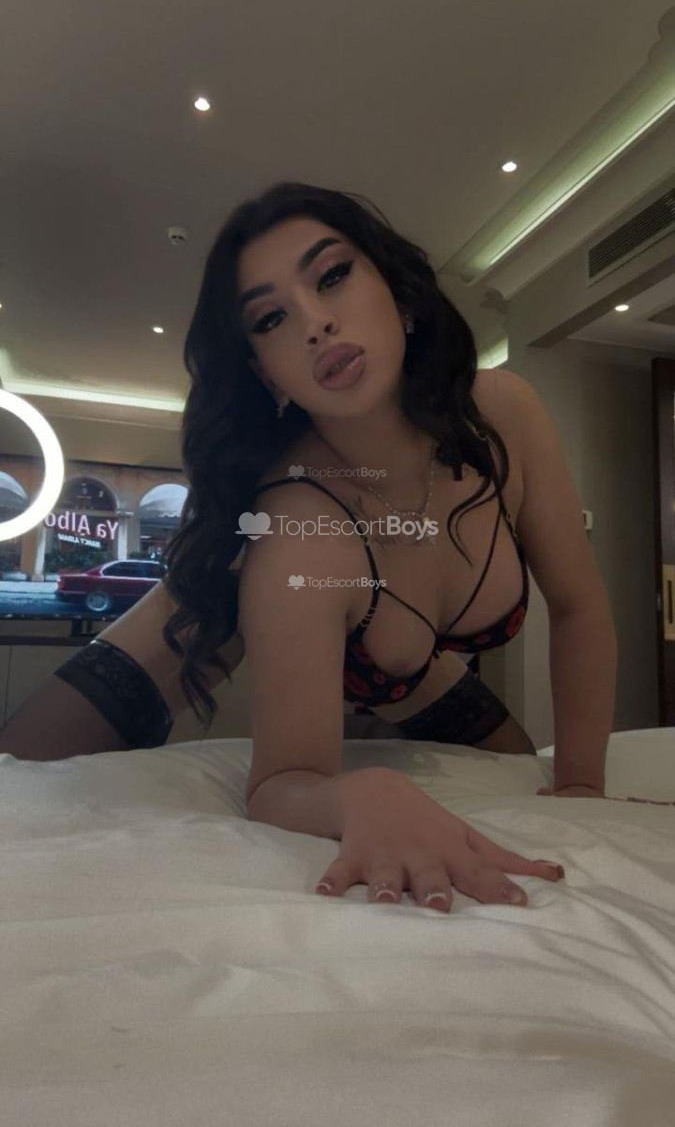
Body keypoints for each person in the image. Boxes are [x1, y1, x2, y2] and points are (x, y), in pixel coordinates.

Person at [3, 182, 618, 913]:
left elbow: (578, 607)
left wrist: (581, 785)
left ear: (399, 294)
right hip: (229, 590)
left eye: (332, 275)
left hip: (397, 648)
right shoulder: (296, 526)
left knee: (515, 768)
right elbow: (282, 783)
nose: (316, 324)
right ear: (266, 372)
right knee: (19, 772)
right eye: (271, 318)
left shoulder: (503, 413)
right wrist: (365, 793)